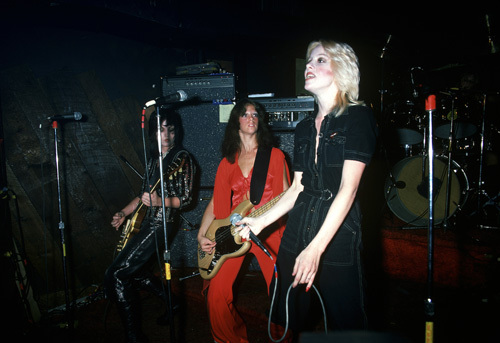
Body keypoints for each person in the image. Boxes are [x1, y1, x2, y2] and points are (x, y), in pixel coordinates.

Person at [237, 40, 378, 338]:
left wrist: (315, 249)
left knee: (345, 324)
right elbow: (297, 188)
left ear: (342, 71)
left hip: (337, 232)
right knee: (290, 314)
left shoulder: (359, 118)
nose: (309, 65)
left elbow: (348, 190)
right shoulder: (303, 128)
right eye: (309, 60)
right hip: (298, 227)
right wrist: (260, 221)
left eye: (321, 60)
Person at [197, 98, 290, 343]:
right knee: (216, 294)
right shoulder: (227, 162)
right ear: (236, 121)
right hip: (233, 233)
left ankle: (283, 338)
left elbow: (288, 195)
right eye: (245, 114)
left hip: (269, 230)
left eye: (255, 114)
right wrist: (202, 233)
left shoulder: (276, 156)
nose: (251, 118)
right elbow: (216, 204)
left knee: (282, 293)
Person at [105, 109, 195, 343]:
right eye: (160, 129)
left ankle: (134, 337)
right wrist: (123, 213)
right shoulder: (154, 159)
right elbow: (142, 194)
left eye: (171, 130)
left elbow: (186, 199)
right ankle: (172, 302)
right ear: (153, 133)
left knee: (117, 274)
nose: (166, 135)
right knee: (137, 272)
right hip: (147, 220)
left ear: (177, 133)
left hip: (163, 223)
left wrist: (158, 202)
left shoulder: (182, 158)